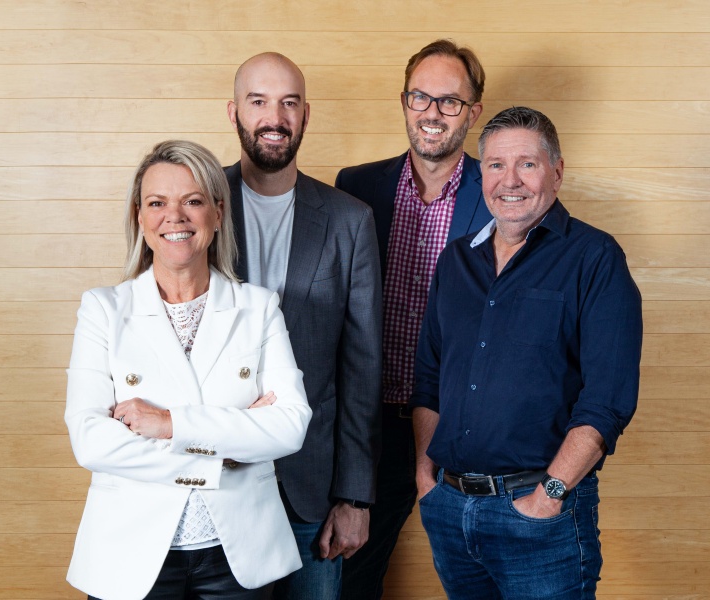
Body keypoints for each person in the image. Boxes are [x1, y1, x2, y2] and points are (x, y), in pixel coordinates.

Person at [410, 107, 643, 599]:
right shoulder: (456, 261)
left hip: (541, 518)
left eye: (528, 164)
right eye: (496, 165)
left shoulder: (595, 258)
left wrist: (550, 495)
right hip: (450, 509)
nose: (510, 180)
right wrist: (425, 477)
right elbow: (429, 377)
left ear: (556, 172)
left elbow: (607, 399)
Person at [64, 140, 312, 600]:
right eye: (157, 203)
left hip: (239, 556)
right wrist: (226, 450)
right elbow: (91, 440)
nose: (174, 217)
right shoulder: (103, 310)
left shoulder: (258, 308)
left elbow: (289, 427)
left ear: (217, 214)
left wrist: (167, 424)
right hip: (130, 551)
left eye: (192, 201)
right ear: (139, 217)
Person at [334, 39, 492, 599]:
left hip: (456, 424)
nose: (432, 112)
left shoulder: (499, 191)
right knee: (348, 575)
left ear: (473, 111)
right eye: (420, 96)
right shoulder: (357, 186)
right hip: (362, 423)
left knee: (481, 572)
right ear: (404, 101)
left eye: (450, 101)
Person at [224, 52, 383, 600]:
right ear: (234, 112)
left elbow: (362, 369)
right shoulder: (196, 207)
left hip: (311, 490)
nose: (275, 117)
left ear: (306, 115)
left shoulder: (349, 220)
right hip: (219, 480)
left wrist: (355, 496)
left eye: (289, 103)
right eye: (259, 101)